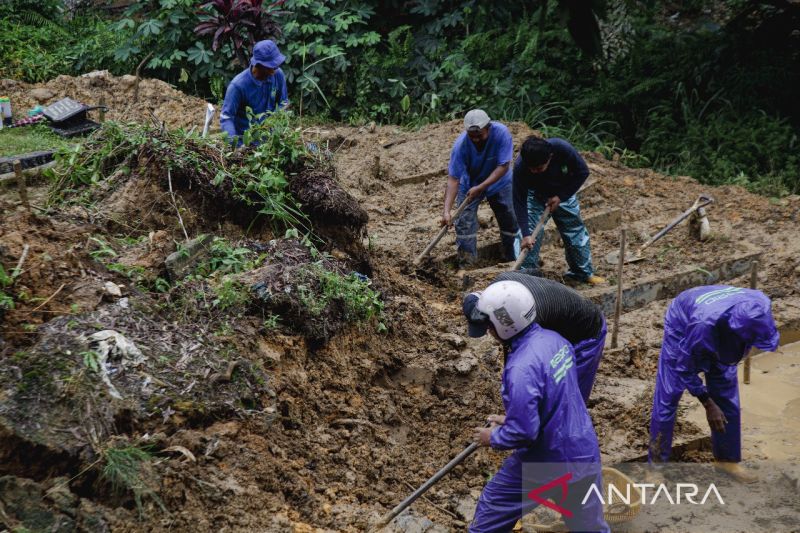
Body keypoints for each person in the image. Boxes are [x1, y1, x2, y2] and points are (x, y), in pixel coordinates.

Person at [465, 280, 609, 532]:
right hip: (583, 451)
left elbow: (524, 433)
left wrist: (493, 436)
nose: (487, 330)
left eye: (489, 323)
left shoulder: (520, 367)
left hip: (547, 459)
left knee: (491, 510)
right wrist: (512, 417)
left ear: (503, 322)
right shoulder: (556, 341)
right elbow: (555, 399)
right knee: (590, 528)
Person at [648, 285, 779, 482]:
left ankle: (727, 460)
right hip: (683, 322)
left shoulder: (761, 304)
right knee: (669, 396)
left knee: (726, 394)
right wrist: (708, 403)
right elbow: (684, 367)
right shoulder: (702, 326)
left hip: (721, 320)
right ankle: (656, 468)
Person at [464, 271, 606, 403]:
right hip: (562, 318)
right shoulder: (502, 285)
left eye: (489, 326)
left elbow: (525, 360)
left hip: (586, 332)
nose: (489, 332)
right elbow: (535, 272)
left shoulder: (525, 319)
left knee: (569, 400)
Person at [512, 136, 604, 285]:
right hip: (536, 195)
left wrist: (561, 196)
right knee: (528, 236)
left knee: (574, 230)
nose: (535, 172)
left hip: (563, 190)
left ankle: (582, 273)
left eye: (539, 168)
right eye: (532, 169)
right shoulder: (521, 167)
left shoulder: (561, 148)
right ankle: (526, 278)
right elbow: (519, 200)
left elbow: (582, 172)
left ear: (550, 157)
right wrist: (526, 234)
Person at [442, 110, 520, 268]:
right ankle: (467, 264)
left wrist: (482, 187)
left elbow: (503, 166)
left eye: (479, 135)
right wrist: (446, 210)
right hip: (470, 183)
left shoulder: (501, 134)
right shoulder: (461, 146)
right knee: (464, 223)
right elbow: (453, 179)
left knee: (509, 218)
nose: (476, 139)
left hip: (500, 182)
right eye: (472, 136)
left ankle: (512, 257)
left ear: (488, 128)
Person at [220, 40, 289, 144]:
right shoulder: (238, 86)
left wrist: (277, 126)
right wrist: (234, 146)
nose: (274, 70)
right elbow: (227, 118)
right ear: (258, 65)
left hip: (270, 142)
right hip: (245, 144)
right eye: (271, 66)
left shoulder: (277, 74)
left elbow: (283, 103)